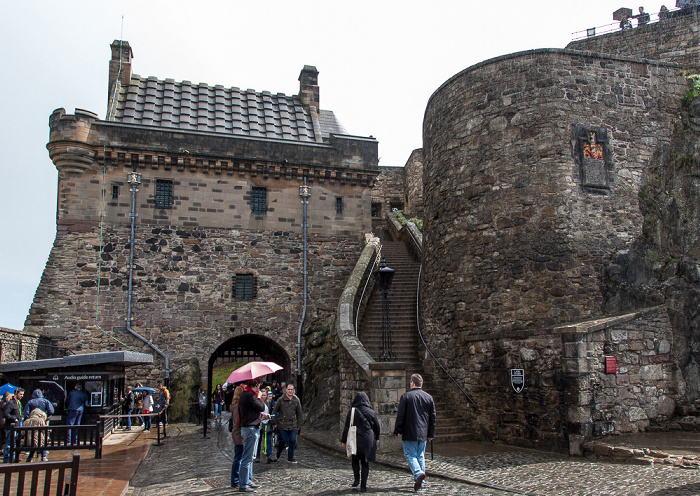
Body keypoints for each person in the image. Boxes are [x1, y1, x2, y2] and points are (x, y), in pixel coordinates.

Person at [394, 373, 436, 492]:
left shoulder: (406, 397)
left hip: (409, 432)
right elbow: (433, 417)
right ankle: (421, 481)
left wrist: (398, 430)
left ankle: (418, 474)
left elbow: (400, 416)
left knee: (410, 455)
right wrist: (431, 433)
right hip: (423, 432)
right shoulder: (428, 397)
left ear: (412, 383)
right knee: (420, 456)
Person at [341, 392, 381, 493]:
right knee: (365, 462)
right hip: (367, 439)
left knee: (355, 460)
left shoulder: (352, 411)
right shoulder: (371, 412)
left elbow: (346, 427)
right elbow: (377, 426)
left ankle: (356, 479)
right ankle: (363, 485)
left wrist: (344, 440)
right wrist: (377, 437)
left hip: (355, 439)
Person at [238, 379, 266, 492]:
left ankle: (248, 481)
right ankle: (244, 484)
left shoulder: (246, 394)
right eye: (259, 385)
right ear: (256, 385)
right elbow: (261, 407)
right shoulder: (249, 395)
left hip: (250, 427)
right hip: (250, 428)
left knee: (250, 457)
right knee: (247, 458)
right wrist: (259, 397)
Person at [272, 383, 303, 463]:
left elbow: (299, 413)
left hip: (292, 424)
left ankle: (290, 457)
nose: (290, 391)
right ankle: (278, 452)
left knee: (292, 440)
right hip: (282, 424)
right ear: (286, 390)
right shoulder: (280, 400)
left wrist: (299, 425)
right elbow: (274, 411)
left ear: (294, 390)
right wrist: (274, 422)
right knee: (283, 440)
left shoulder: (296, 400)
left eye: (291, 390)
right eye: (288, 389)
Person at [2, 389, 22, 462]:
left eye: (22, 394)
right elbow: (5, 414)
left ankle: (13, 457)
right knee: (9, 442)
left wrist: (20, 417)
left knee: (14, 442)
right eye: (20, 394)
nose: (22, 396)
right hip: (10, 426)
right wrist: (14, 419)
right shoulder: (10, 403)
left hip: (17, 425)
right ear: (16, 394)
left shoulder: (18, 403)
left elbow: (19, 412)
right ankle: (7, 458)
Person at [230, 385, 244, 489]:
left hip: (238, 434)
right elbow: (238, 421)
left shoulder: (237, 404)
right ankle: (235, 480)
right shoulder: (237, 406)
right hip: (239, 434)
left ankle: (237, 479)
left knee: (239, 456)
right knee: (238, 457)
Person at [256, 390, 276, 464]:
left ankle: (269, 455)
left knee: (268, 439)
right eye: (262, 395)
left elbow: (273, 412)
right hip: (259, 423)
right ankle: (257, 456)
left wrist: (273, 421)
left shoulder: (269, 403)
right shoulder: (257, 403)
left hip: (268, 423)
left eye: (265, 395)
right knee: (259, 440)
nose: (263, 397)